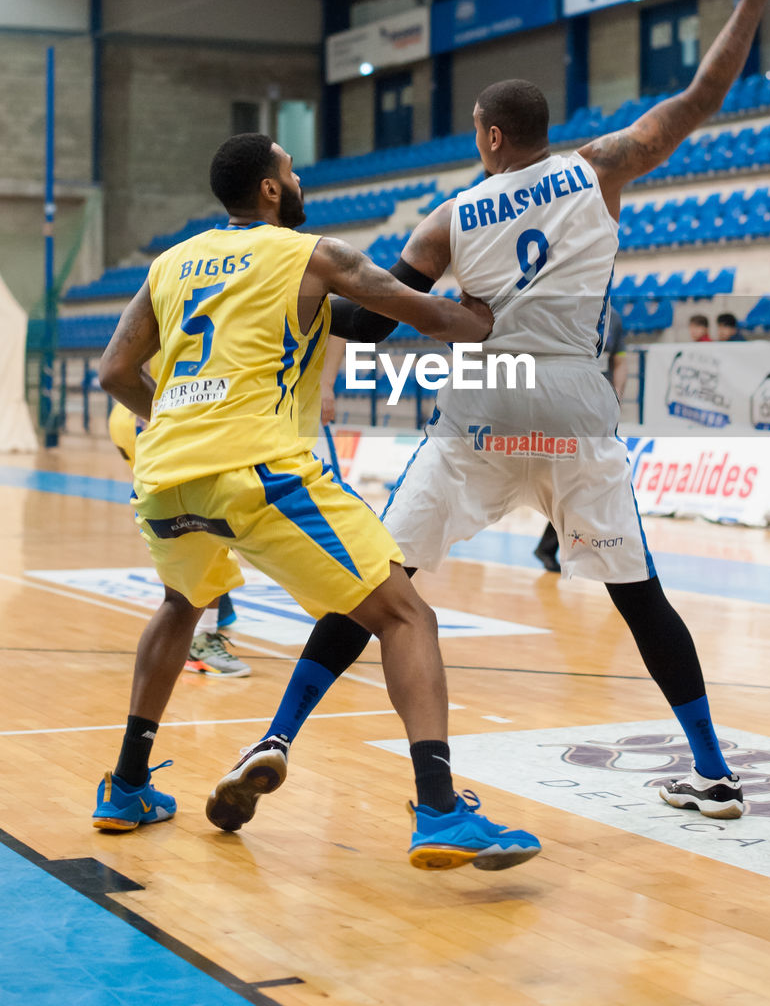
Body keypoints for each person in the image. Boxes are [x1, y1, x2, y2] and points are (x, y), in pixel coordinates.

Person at [256, 0, 770, 822]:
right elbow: (703, 96)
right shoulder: (601, 168)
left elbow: (374, 324)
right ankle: (712, 770)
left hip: (489, 392)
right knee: (641, 595)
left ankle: (275, 735)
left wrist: (287, 269)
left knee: (377, 580)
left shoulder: (449, 216)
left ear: (491, 137)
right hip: (577, 394)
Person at [93, 132, 540, 873]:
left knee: (181, 603)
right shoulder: (308, 255)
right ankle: (438, 811)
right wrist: (481, 316)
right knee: (405, 614)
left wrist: (172, 421)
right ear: (271, 190)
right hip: (260, 467)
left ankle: (127, 787)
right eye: (291, 171)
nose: (297, 180)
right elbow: (423, 315)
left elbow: (114, 369)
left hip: (167, 470)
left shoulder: (169, 265)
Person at [109, 393, 250, 677]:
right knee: (205, 523)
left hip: (145, 413)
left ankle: (208, 610)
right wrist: (152, 417)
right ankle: (200, 639)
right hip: (158, 414)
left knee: (196, 521)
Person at [533, 306, 626, 572]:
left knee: (589, 480)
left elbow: (619, 360)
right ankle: (558, 545)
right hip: (569, 408)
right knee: (582, 480)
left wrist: (617, 396)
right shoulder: (563, 313)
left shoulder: (615, 319)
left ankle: (551, 545)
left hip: (598, 409)